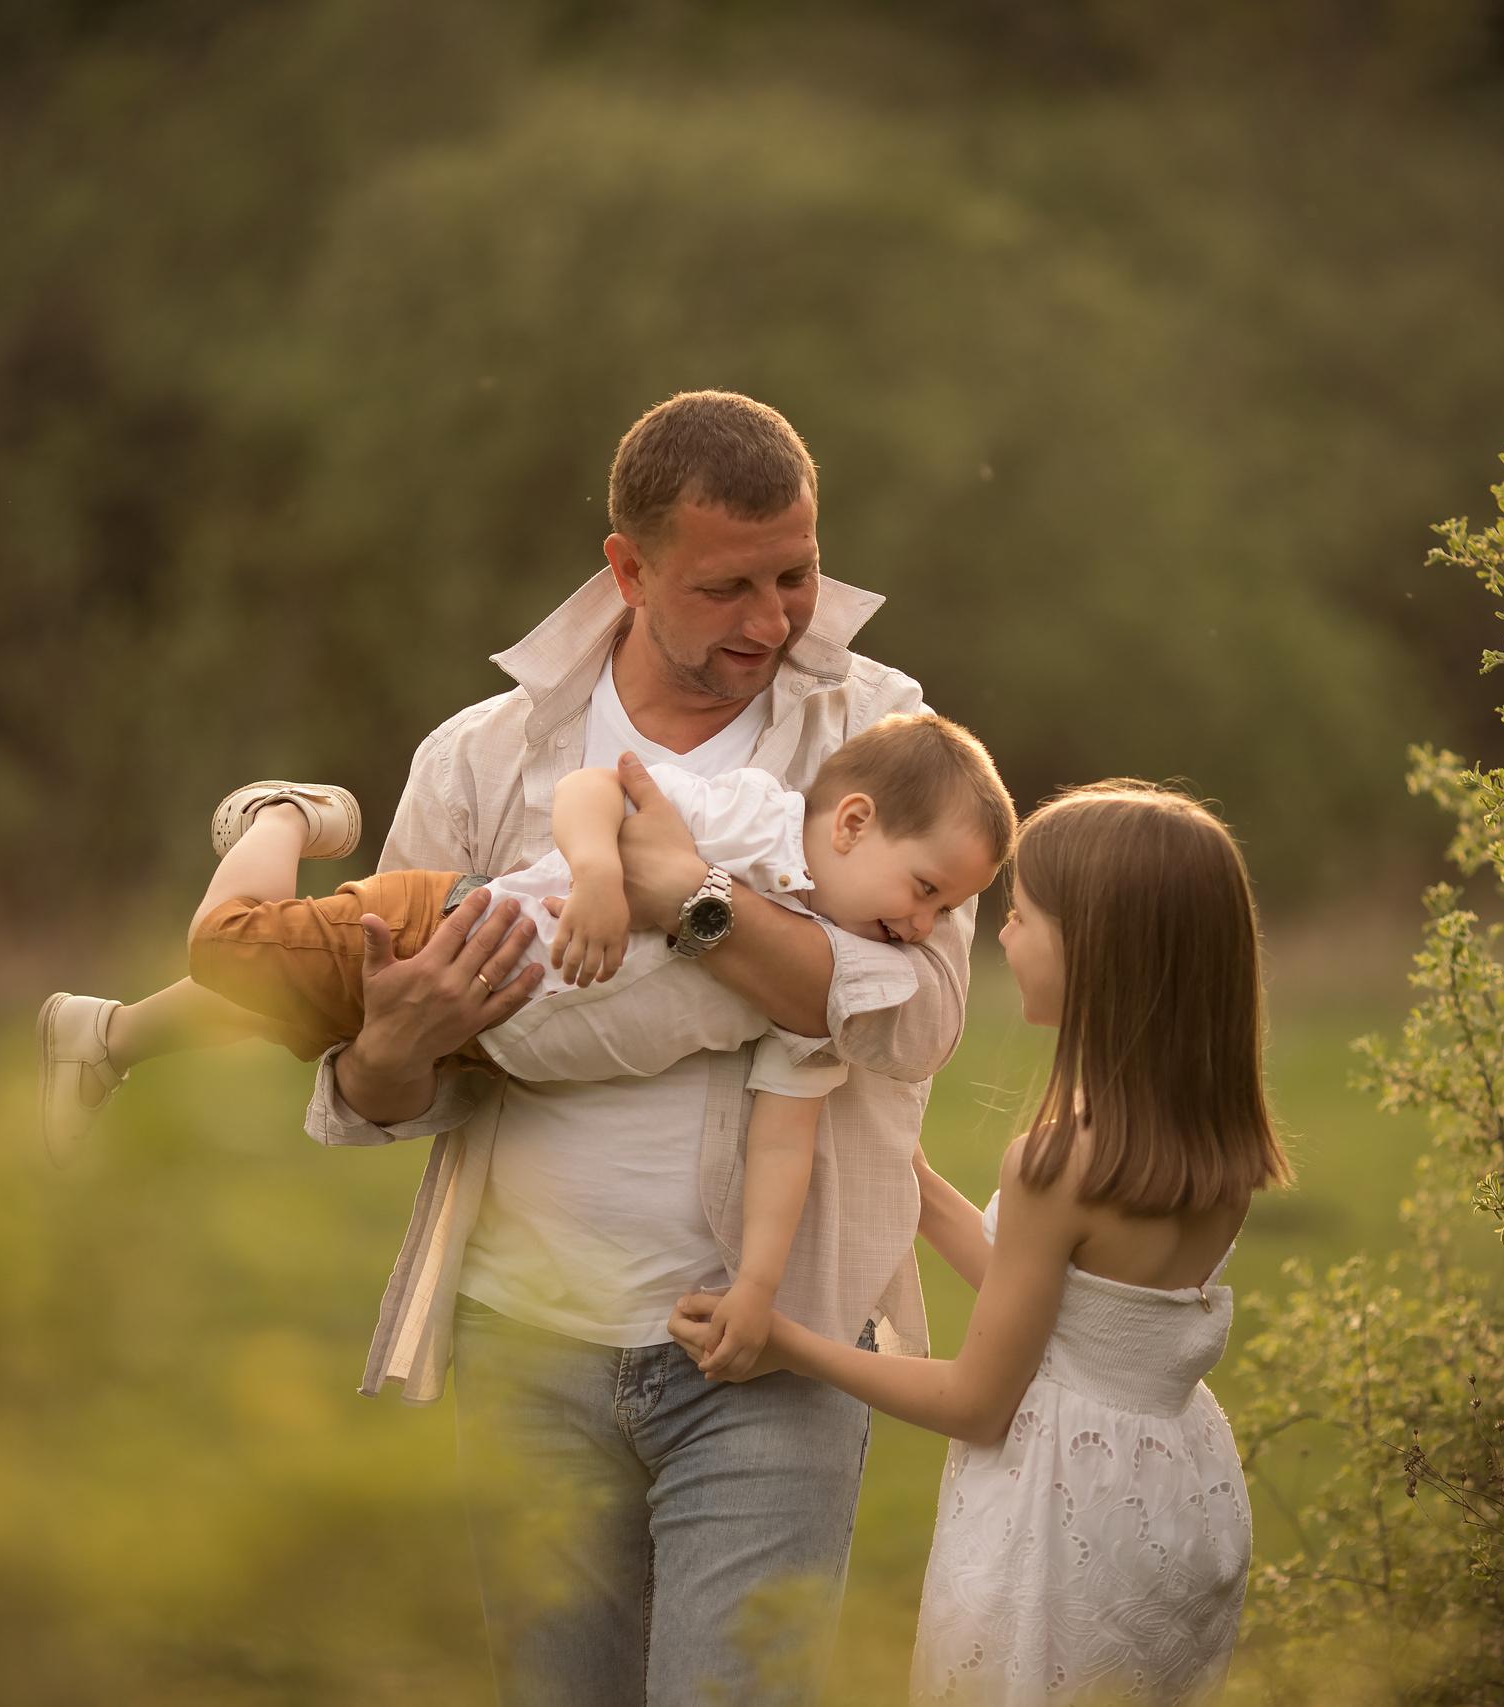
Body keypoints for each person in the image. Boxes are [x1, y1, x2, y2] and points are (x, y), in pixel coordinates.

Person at [77, 389, 973, 1706]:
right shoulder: (482, 754)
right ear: (627, 566)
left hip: (771, 1348)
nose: (776, 620)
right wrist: (396, 1039)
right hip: (530, 1346)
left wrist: (695, 906)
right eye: (729, 586)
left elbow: (927, 1014)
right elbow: (385, 1087)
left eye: (797, 572)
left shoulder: (886, 734)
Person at [40, 710, 1013, 1379]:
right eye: (925, 890)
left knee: (291, 1010)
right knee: (231, 947)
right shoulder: (756, 824)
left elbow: (784, 1140)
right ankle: (282, 815)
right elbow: (594, 790)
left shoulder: (823, 986)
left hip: (495, 1042)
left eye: (953, 909)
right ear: (850, 824)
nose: (927, 927)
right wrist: (595, 878)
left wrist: (759, 1286)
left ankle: (108, 1034)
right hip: (451, 936)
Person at [671, 782, 1290, 1705]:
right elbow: (1056, 1303)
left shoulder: (1059, 1159)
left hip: (1060, 1511)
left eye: (1021, 916)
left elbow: (975, 1400)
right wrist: (903, 1168)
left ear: (1100, 953)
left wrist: (790, 1341)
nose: (1001, 937)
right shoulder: (1214, 1143)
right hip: (1171, 1492)